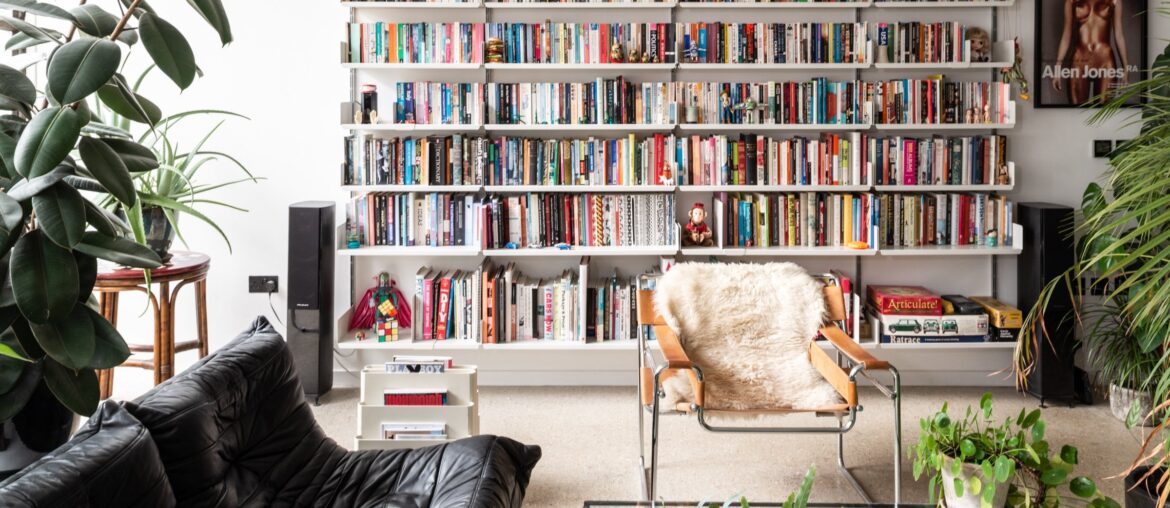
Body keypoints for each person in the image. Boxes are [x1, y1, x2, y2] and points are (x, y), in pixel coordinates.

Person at [1052, 0, 1131, 105]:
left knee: (1102, 115)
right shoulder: (1070, 1)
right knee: (1076, 113)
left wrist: (1126, 67)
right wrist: (1058, 67)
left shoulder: (1115, 1)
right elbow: (1066, 36)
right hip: (1079, 60)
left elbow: (1119, 35)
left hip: (1105, 61)